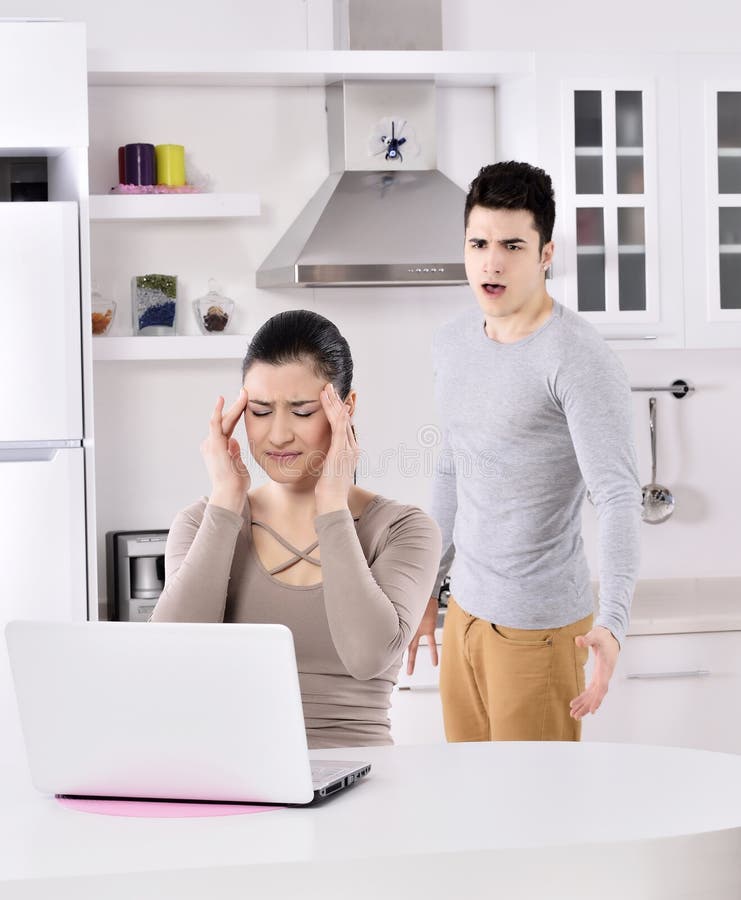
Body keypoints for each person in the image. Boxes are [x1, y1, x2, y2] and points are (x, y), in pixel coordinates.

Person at [407, 161, 641, 742]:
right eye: (479, 243)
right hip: (463, 615)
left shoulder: (578, 358)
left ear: (545, 254)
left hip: (539, 628)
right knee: (474, 811)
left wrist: (613, 621)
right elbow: (451, 463)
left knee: (537, 817)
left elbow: (617, 496)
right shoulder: (453, 342)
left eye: (513, 244)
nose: (492, 261)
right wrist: (424, 592)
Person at [151, 309, 441, 749]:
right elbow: (173, 658)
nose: (278, 435)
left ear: (346, 408)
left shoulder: (402, 529)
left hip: (362, 787)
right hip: (231, 786)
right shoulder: (200, 522)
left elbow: (367, 657)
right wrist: (226, 502)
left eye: (302, 411)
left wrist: (331, 506)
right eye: (261, 411)